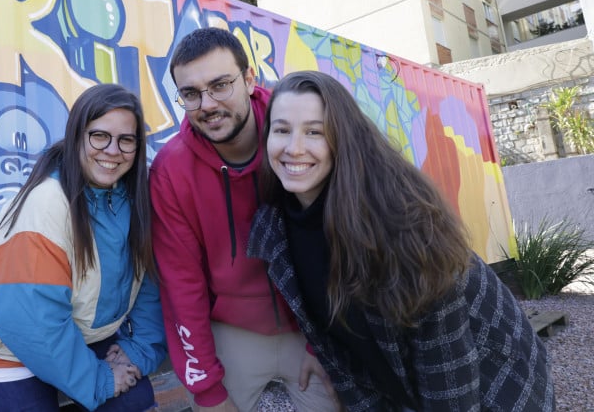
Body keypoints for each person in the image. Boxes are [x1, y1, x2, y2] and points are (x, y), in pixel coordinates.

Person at [248, 70, 555, 411]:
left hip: (496, 385)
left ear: (342, 139)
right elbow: (343, 360)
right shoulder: (276, 231)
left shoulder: (403, 224)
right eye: (282, 130)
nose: (294, 148)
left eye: (314, 132)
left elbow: (449, 379)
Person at [150, 28, 339, 412]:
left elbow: (337, 244)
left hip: (308, 323)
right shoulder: (172, 170)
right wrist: (206, 389)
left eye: (221, 85)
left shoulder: (293, 138)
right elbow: (181, 285)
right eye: (191, 93)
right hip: (233, 329)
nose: (207, 103)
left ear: (249, 79)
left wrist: (323, 343)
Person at [0, 83, 167, 412]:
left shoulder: (134, 196)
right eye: (99, 136)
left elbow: (147, 281)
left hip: (71, 334)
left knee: (134, 401)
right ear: (77, 135)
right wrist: (100, 380)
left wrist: (139, 349)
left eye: (126, 140)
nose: (112, 150)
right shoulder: (48, 203)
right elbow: (30, 321)